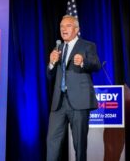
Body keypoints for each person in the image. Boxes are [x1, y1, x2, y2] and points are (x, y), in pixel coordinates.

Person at [46, 15, 101, 161]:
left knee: (79, 145)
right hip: (59, 103)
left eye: (68, 26)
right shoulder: (58, 48)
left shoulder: (87, 45)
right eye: (61, 26)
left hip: (79, 102)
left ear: (76, 29)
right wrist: (51, 63)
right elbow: (49, 75)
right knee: (52, 142)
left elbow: (97, 65)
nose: (64, 29)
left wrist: (84, 62)